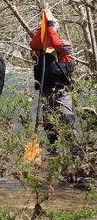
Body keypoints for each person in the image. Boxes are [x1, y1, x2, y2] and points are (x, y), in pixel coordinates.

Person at [29, 10, 75, 151]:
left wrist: (50, 25)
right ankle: (53, 149)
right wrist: (42, 28)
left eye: (49, 29)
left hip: (61, 91)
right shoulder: (40, 49)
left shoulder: (65, 44)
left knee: (67, 119)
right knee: (49, 123)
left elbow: (55, 42)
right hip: (46, 91)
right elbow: (33, 44)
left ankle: (73, 150)